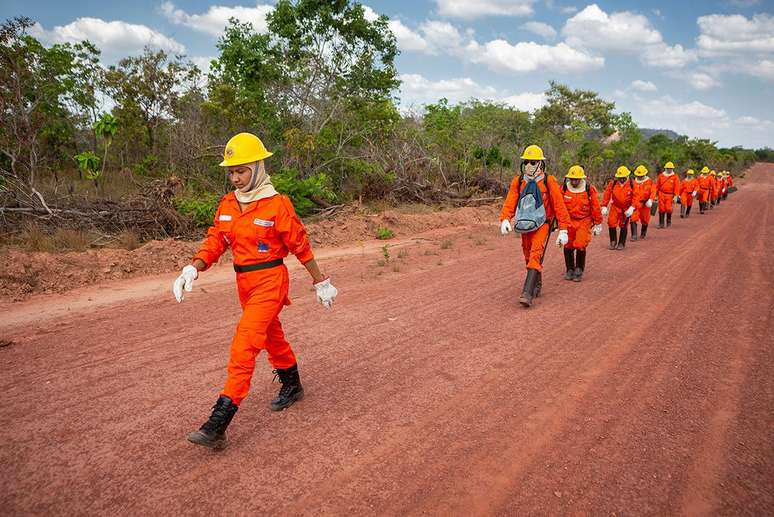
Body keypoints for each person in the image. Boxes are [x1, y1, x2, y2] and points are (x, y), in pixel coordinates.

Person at [173, 132, 339, 450]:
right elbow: (216, 240)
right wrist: (193, 266)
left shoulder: (277, 205)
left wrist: (321, 281)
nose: (236, 178)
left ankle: (218, 423)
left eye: (242, 171)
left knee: (244, 345)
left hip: (270, 281)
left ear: (258, 168)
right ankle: (292, 384)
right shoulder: (227, 205)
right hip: (244, 284)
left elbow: (300, 246)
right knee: (270, 335)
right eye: (231, 172)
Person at [500, 144, 571, 307]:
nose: (529, 165)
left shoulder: (549, 181)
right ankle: (537, 284)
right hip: (524, 225)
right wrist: (505, 218)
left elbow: (559, 205)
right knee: (527, 255)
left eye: (533, 162)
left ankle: (527, 292)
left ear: (540, 163)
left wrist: (563, 230)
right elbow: (511, 200)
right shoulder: (518, 181)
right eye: (527, 162)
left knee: (535, 253)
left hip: (543, 224)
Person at [560, 165, 602, 282]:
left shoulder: (589, 189)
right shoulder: (564, 188)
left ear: (581, 179)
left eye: (576, 179)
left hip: (584, 220)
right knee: (567, 245)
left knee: (580, 243)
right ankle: (569, 269)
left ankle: (579, 269)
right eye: (572, 179)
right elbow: (558, 206)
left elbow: (595, 206)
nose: (574, 181)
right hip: (569, 220)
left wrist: (598, 223)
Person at [601, 166, 640, 250]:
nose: (621, 179)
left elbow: (636, 197)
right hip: (615, 207)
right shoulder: (613, 183)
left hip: (626, 208)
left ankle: (621, 243)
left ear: (627, 176)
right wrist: (604, 205)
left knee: (623, 225)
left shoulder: (632, 184)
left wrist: (632, 207)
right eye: (620, 178)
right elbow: (607, 194)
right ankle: (613, 241)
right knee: (611, 222)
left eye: (623, 178)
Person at [632, 164, 656, 240]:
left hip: (645, 204)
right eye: (638, 175)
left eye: (641, 175)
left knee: (645, 219)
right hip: (636, 203)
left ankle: (643, 232)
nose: (639, 176)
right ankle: (634, 235)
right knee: (633, 218)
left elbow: (653, 191)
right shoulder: (633, 182)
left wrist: (651, 199)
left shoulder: (649, 181)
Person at [656, 161, 681, 228]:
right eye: (668, 168)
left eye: (670, 168)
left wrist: (676, 196)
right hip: (661, 194)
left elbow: (677, 186)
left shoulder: (675, 176)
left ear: (672, 169)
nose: (669, 169)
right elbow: (657, 185)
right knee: (661, 208)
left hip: (670, 195)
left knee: (668, 208)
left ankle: (668, 222)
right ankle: (661, 223)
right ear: (665, 168)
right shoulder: (661, 176)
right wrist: (655, 195)